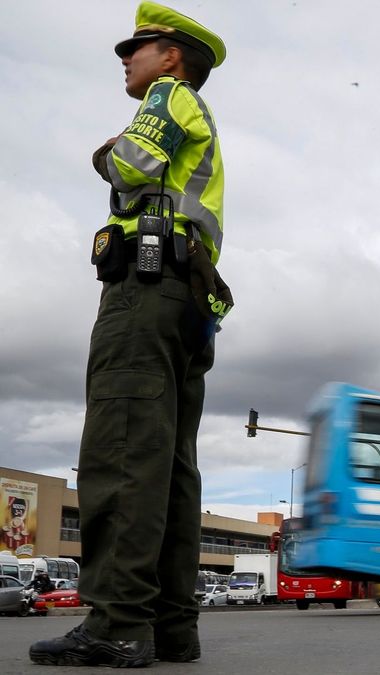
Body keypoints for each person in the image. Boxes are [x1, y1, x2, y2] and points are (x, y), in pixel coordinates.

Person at [29, 2, 228, 668]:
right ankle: (171, 625)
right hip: (187, 297)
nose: (125, 57)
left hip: (143, 292)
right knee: (169, 465)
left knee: (121, 447)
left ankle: (117, 620)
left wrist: (108, 150)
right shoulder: (193, 110)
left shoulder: (169, 96)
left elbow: (133, 165)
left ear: (171, 56)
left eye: (136, 47)